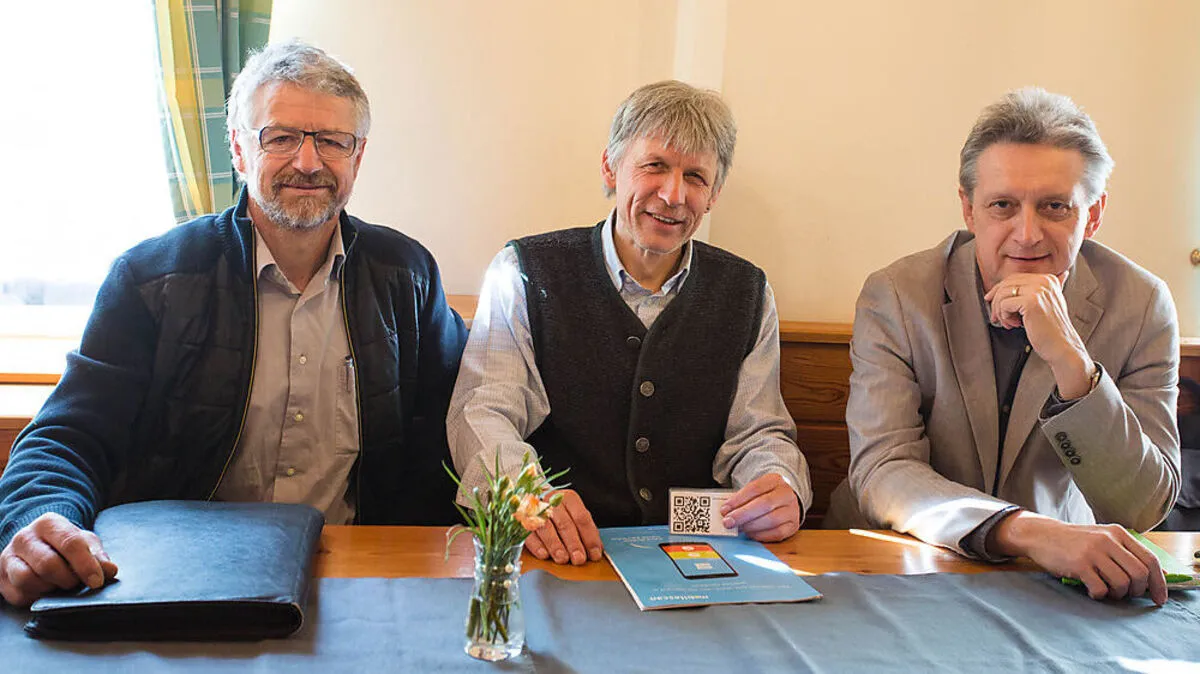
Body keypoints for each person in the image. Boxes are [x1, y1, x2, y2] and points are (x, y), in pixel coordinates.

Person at [0, 40, 467, 607]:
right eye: (282, 137)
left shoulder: (407, 276)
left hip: (356, 573)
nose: (308, 162)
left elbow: (457, 426)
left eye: (332, 141)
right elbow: (67, 436)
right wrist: (40, 517)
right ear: (240, 151)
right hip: (181, 577)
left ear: (358, 156)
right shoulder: (151, 278)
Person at [826, 88, 1180, 606]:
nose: (1028, 234)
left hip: (1053, 585)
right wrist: (1030, 531)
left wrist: (1072, 362)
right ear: (969, 210)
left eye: (1055, 207)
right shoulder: (897, 294)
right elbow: (883, 470)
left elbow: (1143, 506)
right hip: (893, 564)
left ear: (1095, 213)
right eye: (1003, 206)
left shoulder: (1144, 305)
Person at [448, 80, 811, 566]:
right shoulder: (523, 271)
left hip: (696, 558)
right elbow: (482, 411)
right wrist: (525, 494)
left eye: (696, 177)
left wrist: (781, 485)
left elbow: (758, 433)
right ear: (611, 167)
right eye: (655, 165)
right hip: (557, 554)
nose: (673, 194)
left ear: (714, 194)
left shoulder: (747, 292)